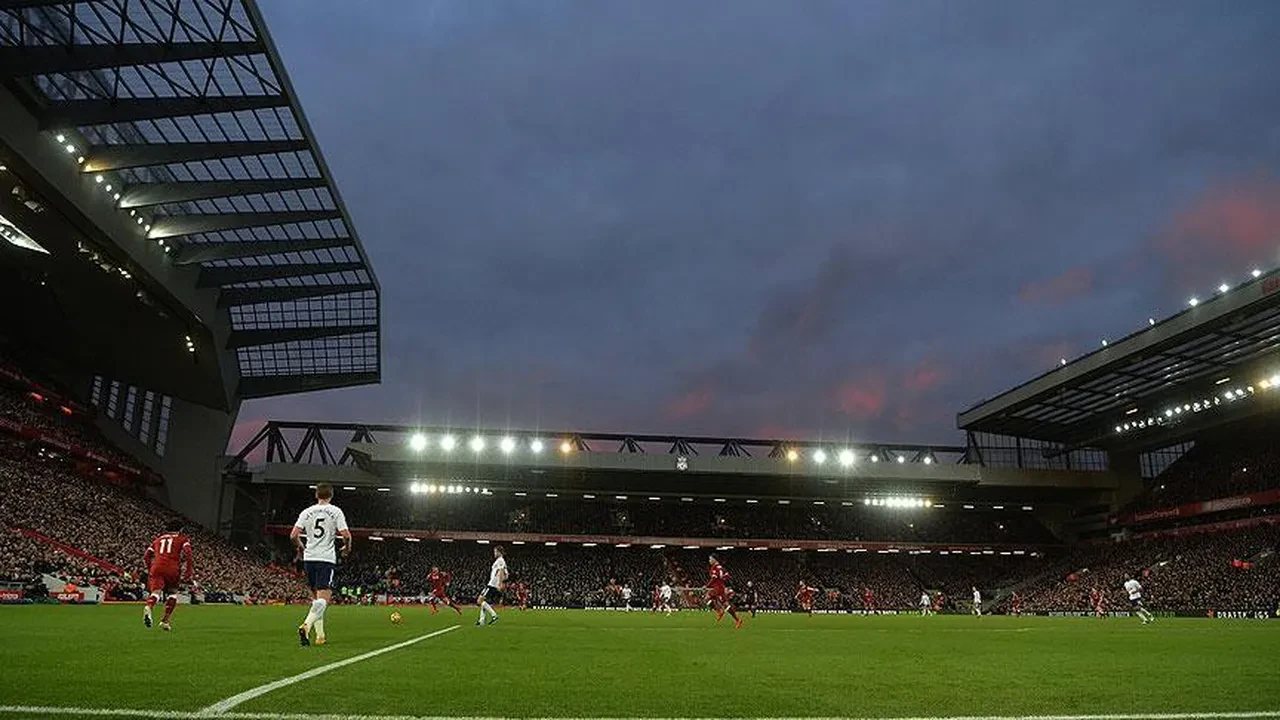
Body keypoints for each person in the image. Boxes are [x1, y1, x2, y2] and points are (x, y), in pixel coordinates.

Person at [290, 483, 351, 647]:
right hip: (326, 558)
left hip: (309, 559)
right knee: (323, 599)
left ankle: (320, 636)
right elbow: (346, 535)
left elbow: (293, 535)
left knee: (316, 600)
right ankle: (307, 625)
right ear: (331, 495)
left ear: (316, 495)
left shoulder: (306, 512)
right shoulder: (336, 511)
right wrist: (347, 548)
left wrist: (301, 547)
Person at [142, 520, 194, 631]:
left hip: (156, 567)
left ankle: (149, 606)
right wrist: (189, 571)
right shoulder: (182, 539)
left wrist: (150, 568)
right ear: (180, 529)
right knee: (172, 593)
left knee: (156, 592)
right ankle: (165, 621)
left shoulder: (157, 540)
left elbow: (146, 555)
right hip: (172, 568)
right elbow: (188, 554)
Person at [706, 555, 743, 629]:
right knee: (707, 598)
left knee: (726, 604)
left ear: (714, 559)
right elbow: (727, 576)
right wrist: (722, 581)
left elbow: (714, 578)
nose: (709, 561)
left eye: (710, 559)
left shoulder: (714, 567)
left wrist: (707, 586)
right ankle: (719, 611)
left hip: (718, 588)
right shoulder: (722, 568)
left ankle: (738, 620)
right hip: (717, 587)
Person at [476, 545, 507, 627]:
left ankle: (494, 615)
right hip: (492, 583)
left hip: (492, 584)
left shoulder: (500, 560)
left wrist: (499, 583)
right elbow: (506, 574)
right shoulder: (500, 561)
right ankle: (481, 620)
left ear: (499, 552)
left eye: (495, 552)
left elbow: (501, 571)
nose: (494, 553)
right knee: (483, 602)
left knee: (480, 601)